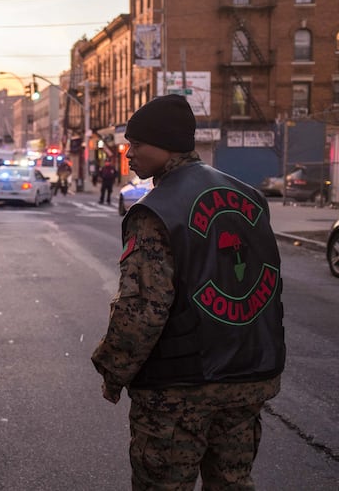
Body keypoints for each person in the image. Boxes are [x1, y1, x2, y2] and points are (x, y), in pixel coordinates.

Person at [91, 94, 285, 490]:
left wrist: (113, 370)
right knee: (233, 482)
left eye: (137, 143)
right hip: (249, 376)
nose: (129, 153)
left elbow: (143, 308)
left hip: (179, 386)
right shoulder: (250, 197)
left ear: (165, 144)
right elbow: (267, 289)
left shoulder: (156, 209)